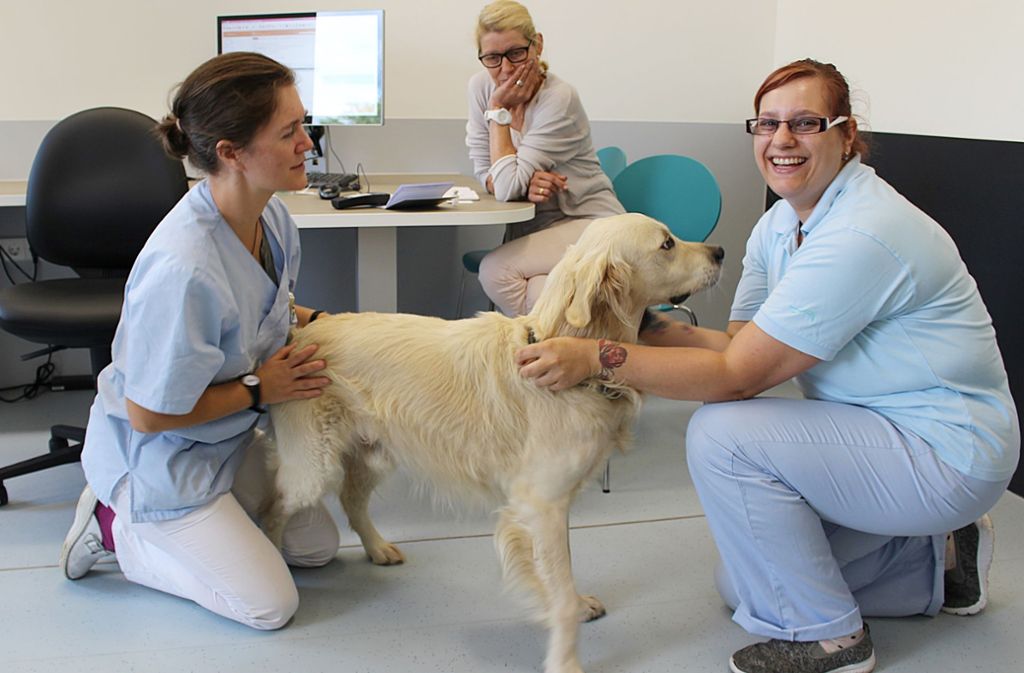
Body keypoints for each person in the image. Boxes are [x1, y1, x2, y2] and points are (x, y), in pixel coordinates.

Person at [515, 58, 1019, 673]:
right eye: (767, 124)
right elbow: (738, 345)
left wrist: (597, 357)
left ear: (846, 134)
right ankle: (938, 564)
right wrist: (652, 329)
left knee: (723, 434)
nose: (781, 140)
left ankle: (832, 640)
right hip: (875, 433)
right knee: (742, 587)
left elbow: (738, 378)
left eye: (806, 122)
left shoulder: (863, 234)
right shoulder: (781, 225)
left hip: (946, 450)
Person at [58, 52, 340, 630]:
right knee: (269, 606)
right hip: (164, 458)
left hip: (227, 438)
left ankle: (215, 526)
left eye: (303, 124)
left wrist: (332, 324)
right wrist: (264, 388)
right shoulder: (183, 269)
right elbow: (148, 414)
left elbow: (267, 306)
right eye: (288, 133)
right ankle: (113, 526)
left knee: (316, 549)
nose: (306, 144)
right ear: (231, 153)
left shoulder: (273, 218)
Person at [466, 0, 624, 316]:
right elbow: (485, 170)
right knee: (540, 291)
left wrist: (498, 111)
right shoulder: (480, 86)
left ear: (537, 45)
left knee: (495, 271)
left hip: (590, 224)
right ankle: (569, 356)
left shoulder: (559, 97)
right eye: (493, 58)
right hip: (536, 234)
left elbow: (507, 186)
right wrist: (519, 183)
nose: (506, 69)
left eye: (516, 53)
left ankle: (543, 356)